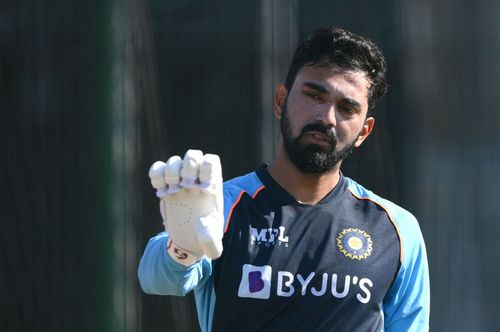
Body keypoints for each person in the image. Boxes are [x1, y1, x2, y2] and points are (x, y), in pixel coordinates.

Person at [138, 26, 430, 332]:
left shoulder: (397, 229)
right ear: (281, 100)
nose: (326, 117)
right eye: (314, 94)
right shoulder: (221, 206)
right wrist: (183, 247)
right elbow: (156, 280)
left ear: (364, 132)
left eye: (346, 108)